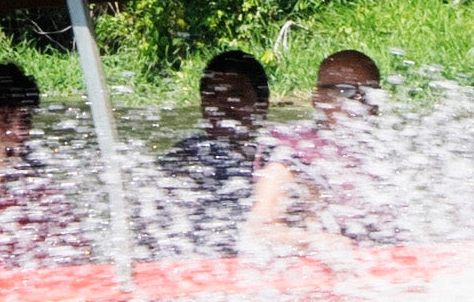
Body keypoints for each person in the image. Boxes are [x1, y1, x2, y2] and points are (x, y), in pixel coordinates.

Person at [0, 60, 86, 275]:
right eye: (5, 121)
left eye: (25, 121)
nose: (19, 134)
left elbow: (81, 259)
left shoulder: (44, 192)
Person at [244, 48, 391, 255]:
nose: (358, 101)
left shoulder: (385, 153)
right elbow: (259, 230)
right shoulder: (291, 153)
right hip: (321, 263)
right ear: (318, 98)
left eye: (368, 93)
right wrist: (315, 241)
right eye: (345, 91)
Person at [156, 51, 272, 255]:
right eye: (212, 96)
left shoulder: (280, 158)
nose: (222, 105)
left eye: (235, 95)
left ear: (261, 105)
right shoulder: (185, 155)